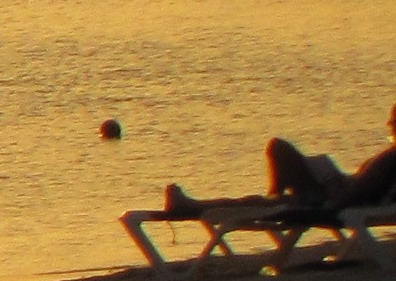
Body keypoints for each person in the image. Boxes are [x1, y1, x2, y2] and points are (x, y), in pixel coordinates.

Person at [163, 100, 396, 218]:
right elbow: (365, 188)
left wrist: (331, 192)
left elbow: (355, 194)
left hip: (326, 200)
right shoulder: (390, 158)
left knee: (258, 200)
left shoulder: (390, 157)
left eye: (393, 120)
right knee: (276, 155)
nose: (388, 125)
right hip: (330, 195)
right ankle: (275, 195)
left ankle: (191, 207)